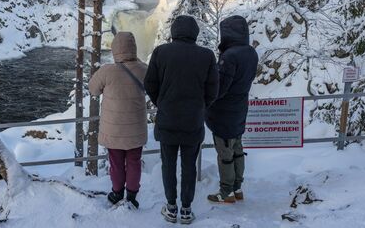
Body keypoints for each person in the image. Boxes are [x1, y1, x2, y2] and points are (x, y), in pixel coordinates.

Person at [144, 15, 219, 224]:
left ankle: (171, 207)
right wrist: (200, 106)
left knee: (168, 164)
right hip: (192, 121)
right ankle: (186, 209)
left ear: (174, 32)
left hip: (168, 119)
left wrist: (163, 102)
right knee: (189, 166)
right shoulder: (206, 55)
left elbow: (149, 83)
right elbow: (213, 89)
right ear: (195, 32)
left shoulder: (161, 52)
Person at [89, 31, 148, 209]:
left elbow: (93, 89)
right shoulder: (144, 69)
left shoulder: (106, 71)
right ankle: (131, 196)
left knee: (115, 163)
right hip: (136, 127)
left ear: (115, 49)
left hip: (113, 128)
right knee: (134, 161)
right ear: (133, 48)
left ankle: (116, 193)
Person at [205, 15, 259, 204]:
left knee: (225, 153)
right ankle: (237, 188)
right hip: (240, 109)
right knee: (237, 148)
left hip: (224, 113)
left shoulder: (229, 56)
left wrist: (206, 97)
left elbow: (219, 89)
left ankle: (226, 191)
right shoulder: (251, 52)